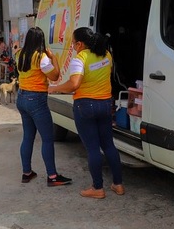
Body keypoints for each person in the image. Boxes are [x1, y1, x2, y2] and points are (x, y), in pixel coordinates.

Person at [50, 27, 124, 199]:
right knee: (109, 145)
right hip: (105, 104)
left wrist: (55, 88)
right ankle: (118, 185)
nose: (73, 46)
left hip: (86, 106)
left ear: (80, 44)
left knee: (92, 148)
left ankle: (97, 188)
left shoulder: (80, 58)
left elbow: (74, 84)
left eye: (73, 43)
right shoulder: (107, 55)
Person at [16, 27, 72, 186]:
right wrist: (53, 58)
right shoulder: (41, 57)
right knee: (47, 139)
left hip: (21, 97)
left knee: (28, 137)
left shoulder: (20, 54)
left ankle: (26, 173)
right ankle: (53, 176)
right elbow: (55, 76)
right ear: (41, 41)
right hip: (37, 99)